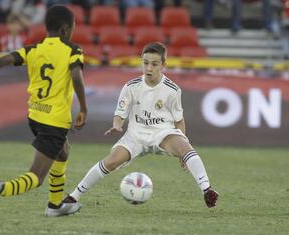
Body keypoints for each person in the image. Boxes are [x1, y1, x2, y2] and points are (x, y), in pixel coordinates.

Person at [0, 5, 87, 217]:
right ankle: (0, 188)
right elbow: (77, 77)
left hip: (35, 116)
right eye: (72, 28)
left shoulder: (33, 49)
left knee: (63, 151)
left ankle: (55, 206)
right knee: (36, 177)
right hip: (54, 121)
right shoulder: (73, 50)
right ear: (65, 29)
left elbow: (1, 60)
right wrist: (84, 109)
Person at [62, 42, 219, 212]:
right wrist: (117, 126)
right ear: (141, 62)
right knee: (112, 161)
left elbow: (179, 120)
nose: (149, 68)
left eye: (154, 64)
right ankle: (74, 196)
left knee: (185, 147)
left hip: (163, 133)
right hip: (135, 135)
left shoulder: (172, 90)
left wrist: (182, 152)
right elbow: (120, 114)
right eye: (145, 63)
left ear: (163, 65)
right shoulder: (131, 87)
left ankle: (207, 190)